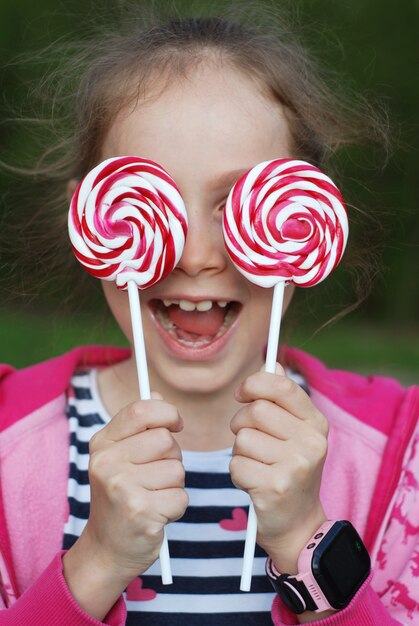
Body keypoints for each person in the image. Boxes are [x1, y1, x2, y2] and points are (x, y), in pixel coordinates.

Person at [0, 6, 418, 626]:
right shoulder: (9, 445)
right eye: (149, 199)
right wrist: (97, 562)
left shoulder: (400, 454)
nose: (195, 256)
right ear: (91, 216)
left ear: (305, 213)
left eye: (235, 204)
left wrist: (308, 537)